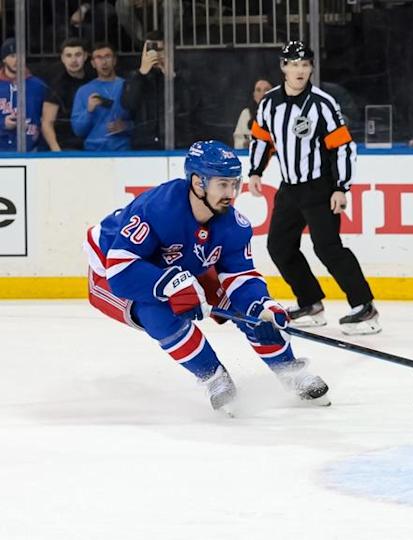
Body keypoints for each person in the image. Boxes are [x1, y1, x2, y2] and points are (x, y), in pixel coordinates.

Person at [82, 140, 330, 412]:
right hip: (111, 270)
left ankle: (289, 372)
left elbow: (241, 276)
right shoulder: (157, 209)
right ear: (198, 182)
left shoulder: (234, 226)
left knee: (254, 315)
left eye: (234, 184)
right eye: (222, 184)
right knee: (160, 315)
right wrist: (171, 285)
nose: (231, 193)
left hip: (181, 265)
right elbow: (121, 270)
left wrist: (262, 305)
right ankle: (214, 377)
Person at [248, 41, 379, 335]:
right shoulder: (269, 103)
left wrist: (341, 187)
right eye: (294, 64)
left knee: (328, 247)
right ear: (283, 67)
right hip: (290, 188)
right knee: (279, 247)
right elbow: (261, 138)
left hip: (320, 188)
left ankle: (364, 307)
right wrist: (255, 171)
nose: (300, 70)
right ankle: (310, 302)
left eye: (305, 65)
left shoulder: (322, 103)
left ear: (311, 68)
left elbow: (343, 147)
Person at [121, 31, 206, 149]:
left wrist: (173, 78)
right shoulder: (135, 77)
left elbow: (191, 105)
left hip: (178, 142)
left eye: (159, 50)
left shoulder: (184, 75)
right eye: (150, 50)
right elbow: (129, 105)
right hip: (145, 144)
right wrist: (141, 74)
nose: (155, 54)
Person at [71, 42, 132, 151]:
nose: (104, 62)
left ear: (114, 60)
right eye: (99, 58)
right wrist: (88, 111)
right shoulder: (83, 91)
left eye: (107, 57)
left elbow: (143, 123)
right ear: (93, 63)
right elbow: (78, 131)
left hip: (123, 150)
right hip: (93, 152)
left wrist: (126, 126)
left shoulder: (127, 87)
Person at [42, 38, 95, 152]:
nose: (73, 60)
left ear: (85, 56)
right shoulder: (57, 85)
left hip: (93, 145)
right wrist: (57, 151)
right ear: (62, 58)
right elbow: (47, 122)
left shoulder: (93, 80)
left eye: (78, 55)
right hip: (66, 147)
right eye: (69, 55)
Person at [0, 37, 48, 151]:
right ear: (4, 59)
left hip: (30, 151)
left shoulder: (39, 86)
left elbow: (47, 120)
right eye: (12, 56)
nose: (17, 60)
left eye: (20, 55)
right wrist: (3, 124)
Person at [233, 77, 273, 149]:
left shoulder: (281, 114)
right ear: (254, 95)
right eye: (258, 90)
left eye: (266, 90)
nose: (262, 94)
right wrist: (245, 144)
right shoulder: (246, 114)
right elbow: (238, 140)